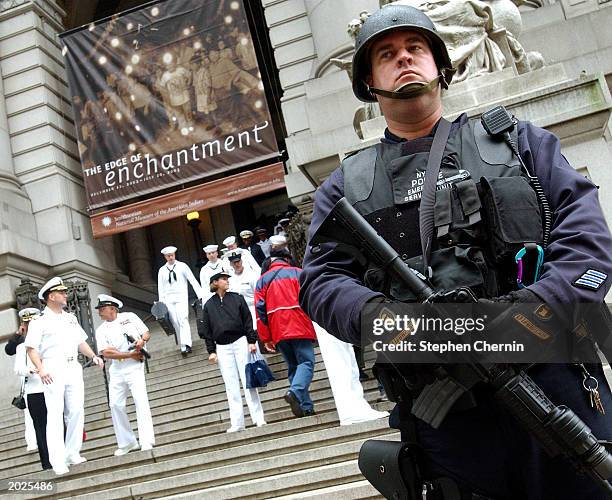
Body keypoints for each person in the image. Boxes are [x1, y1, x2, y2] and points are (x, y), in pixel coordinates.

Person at [299, 4, 612, 499]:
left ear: (440, 66)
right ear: (368, 81)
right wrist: (395, 322)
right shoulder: (346, 187)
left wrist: (526, 313)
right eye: (387, 53)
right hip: (447, 417)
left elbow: (587, 241)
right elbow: (320, 282)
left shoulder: (520, 143)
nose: (404, 59)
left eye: (415, 48)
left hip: (555, 385)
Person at [25, 277, 104, 475]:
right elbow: (31, 348)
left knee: (76, 410)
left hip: (73, 367)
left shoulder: (70, 318)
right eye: (62, 292)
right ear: (52, 296)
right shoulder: (39, 322)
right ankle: (57, 459)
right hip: (53, 368)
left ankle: (72, 452)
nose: (66, 295)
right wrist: (41, 369)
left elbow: (80, 342)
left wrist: (93, 356)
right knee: (55, 413)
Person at [200, 272, 266, 432]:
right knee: (231, 385)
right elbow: (206, 330)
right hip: (222, 347)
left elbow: (247, 320)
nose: (227, 281)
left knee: (248, 380)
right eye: (223, 279)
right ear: (215, 283)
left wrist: (251, 340)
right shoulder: (208, 305)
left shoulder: (237, 298)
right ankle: (237, 422)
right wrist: (211, 350)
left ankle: (259, 418)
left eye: (227, 278)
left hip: (240, 341)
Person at [255, 251, 317, 418]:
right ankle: (295, 393)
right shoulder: (298, 272)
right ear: (287, 260)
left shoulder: (261, 281)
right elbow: (310, 298)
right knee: (306, 362)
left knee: (293, 366)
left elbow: (260, 313)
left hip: (278, 329)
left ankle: (305, 406)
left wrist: (266, 338)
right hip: (299, 324)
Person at [94, 294, 155, 456]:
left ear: (112, 308)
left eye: (102, 308)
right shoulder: (101, 330)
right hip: (117, 368)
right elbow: (106, 352)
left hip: (135, 366)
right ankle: (127, 442)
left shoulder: (130, 317)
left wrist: (142, 341)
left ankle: (146, 440)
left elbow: (146, 332)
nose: (99, 311)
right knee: (115, 404)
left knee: (140, 400)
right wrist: (127, 355)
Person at [13, 307, 51, 470]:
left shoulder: (48, 341)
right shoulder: (22, 347)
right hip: (34, 391)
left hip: (52, 388)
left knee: (58, 422)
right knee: (40, 427)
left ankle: (64, 455)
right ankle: (47, 462)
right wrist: (31, 370)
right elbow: (18, 369)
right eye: (28, 323)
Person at [157, 246, 204, 356]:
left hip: (181, 297)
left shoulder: (182, 266)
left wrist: (200, 295)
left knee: (183, 318)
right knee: (174, 321)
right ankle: (183, 344)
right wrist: (161, 302)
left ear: (175, 255)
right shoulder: (162, 270)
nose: (170, 257)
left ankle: (186, 344)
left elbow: (192, 279)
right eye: (168, 256)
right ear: (165, 257)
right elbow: (161, 287)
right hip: (168, 299)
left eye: (172, 255)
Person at [6, 309, 37, 452]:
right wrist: (18, 333)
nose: (29, 325)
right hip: (28, 381)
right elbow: (8, 349)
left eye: (31, 322)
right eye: (26, 322)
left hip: (45, 379)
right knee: (29, 414)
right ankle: (31, 442)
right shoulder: (20, 342)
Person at [228, 250, 259, 329]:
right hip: (238, 313)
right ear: (231, 264)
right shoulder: (230, 279)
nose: (237, 264)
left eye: (238, 261)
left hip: (252, 309)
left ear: (241, 261)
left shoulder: (252, 275)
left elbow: (258, 295)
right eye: (234, 263)